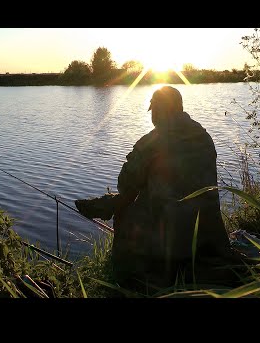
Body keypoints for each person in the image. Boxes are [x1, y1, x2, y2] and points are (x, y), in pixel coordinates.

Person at [75, 86, 238, 290]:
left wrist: (112, 203)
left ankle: (125, 275)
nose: (152, 116)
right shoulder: (203, 137)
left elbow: (125, 187)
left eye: (153, 110)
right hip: (208, 234)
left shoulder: (150, 143)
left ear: (159, 110)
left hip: (171, 236)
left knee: (124, 209)